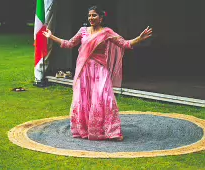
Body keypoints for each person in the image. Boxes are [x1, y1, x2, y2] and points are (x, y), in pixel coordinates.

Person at [43, 5, 152, 141]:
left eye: (94, 15)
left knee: (106, 99)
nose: (91, 18)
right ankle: (85, 129)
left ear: (101, 18)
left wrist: (139, 38)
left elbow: (124, 44)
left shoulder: (106, 32)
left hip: (100, 70)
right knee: (84, 99)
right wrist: (51, 36)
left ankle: (112, 131)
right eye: (89, 15)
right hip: (84, 70)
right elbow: (69, 44)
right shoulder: (83, 31)